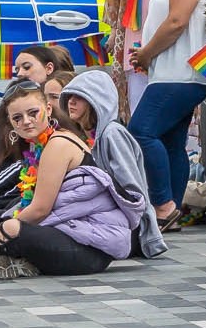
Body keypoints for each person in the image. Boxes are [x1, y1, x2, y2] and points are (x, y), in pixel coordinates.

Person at [0, 80, 133, 279]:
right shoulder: (39, 146)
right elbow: (29, 203)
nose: (26, 121)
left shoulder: (58, 145)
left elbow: (40, 210)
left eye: (33, 113)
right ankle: (16, 262)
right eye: (17, 118)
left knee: (10, 227)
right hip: (65, 230)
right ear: (10, 123)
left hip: (89, 248)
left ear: (49, 109)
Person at [128, 0, 206, 231]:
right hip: (180, 72)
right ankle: (173, 209)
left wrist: (146, 54)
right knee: (170, 142)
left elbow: (177, 22)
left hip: (179, 73)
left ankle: (164, 206)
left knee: (140, 131)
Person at [56, 73, 165, 259]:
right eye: (69, 97)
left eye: (79, 97)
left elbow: (132, 190)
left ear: (97, 100)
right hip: (106, 216)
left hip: (126, 226)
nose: (71, 102)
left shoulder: (112, 134)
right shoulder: (89, 135)